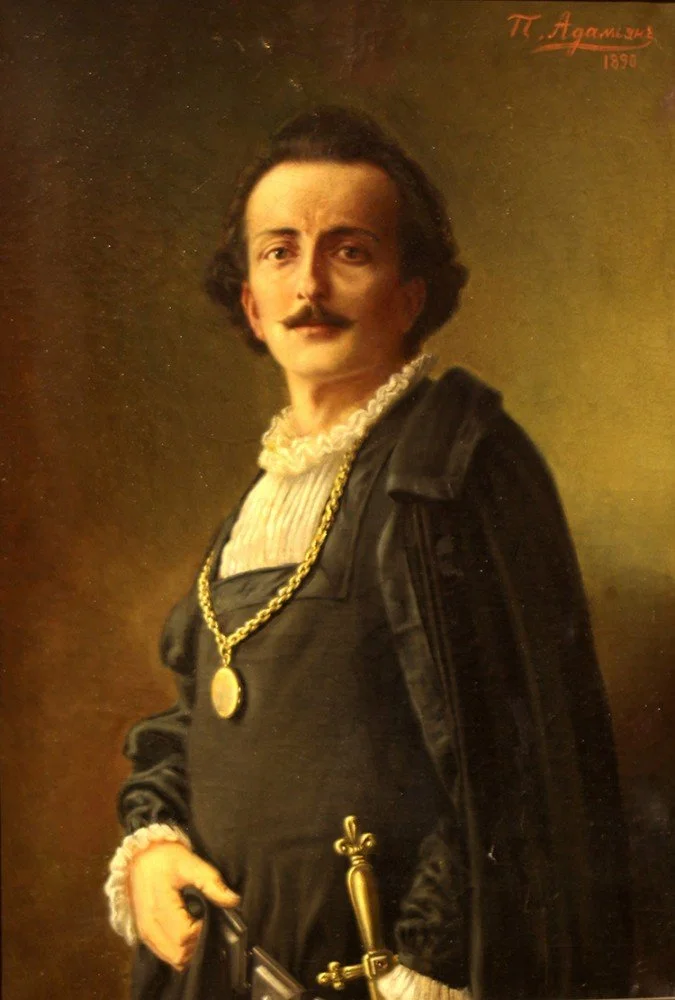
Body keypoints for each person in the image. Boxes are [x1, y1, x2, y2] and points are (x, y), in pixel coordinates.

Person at [106, 107, 632, 1000]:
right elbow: (200, 719)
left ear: (410, 293)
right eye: (279, 253)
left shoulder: (456, 466)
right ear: (251, 302)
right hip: (226, 967)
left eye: (349, 251)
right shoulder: (260, 498)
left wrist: (429, 963)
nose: (308, 285)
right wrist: (154, 847)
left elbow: (515, 755)